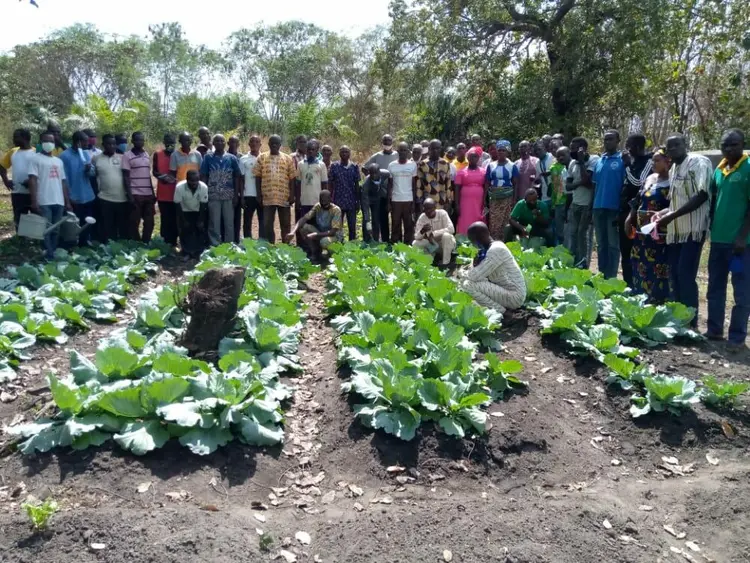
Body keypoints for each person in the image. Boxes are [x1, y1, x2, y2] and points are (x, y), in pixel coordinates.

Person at [653, 134, 712, 325]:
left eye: (676, 145)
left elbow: (702, 195)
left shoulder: (698, 162)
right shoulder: (674, 169)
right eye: (669, 147)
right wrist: (661, 214)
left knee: (685, 275)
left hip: (693, 230)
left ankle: (690, 322)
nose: (672, 150)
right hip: (675, 232)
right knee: (675, 276)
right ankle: (678, 321)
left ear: (685, 144)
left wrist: (671, 216)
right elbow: (675, 203)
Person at [706, 128, 749, 349]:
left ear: (743, 144)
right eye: (725, 145)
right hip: (718, 240)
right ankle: (714, 330)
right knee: (715, 287)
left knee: (741, 291)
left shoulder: (748, 167)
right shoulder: (719, 169)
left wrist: (742, 236)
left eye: (734, 145)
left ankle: (737, 337)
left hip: (741, 245)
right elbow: (713, 201)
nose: (729, 149)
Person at [624, 148, 672, 303]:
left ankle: (657, 303)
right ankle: (640, 300)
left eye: (657, 160)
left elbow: (675, 206)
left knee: (658, 269)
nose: (653, 163)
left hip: (659, 235)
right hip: (641, 234)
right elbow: (637, 200)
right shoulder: (650, 178)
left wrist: (659, 215)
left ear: (668, 162)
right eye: (652, 160)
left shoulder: (673, 182)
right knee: (639, 265)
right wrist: (629, 218)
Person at [462, 222, 526, 315]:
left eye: (473, 241)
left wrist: (464, 271)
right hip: (506, 290)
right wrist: (475, 265)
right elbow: (480, 275)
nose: (474, 245)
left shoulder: (495, 250)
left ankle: (504, 312)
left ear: (479, 238)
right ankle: (501, 309)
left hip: (514, 296)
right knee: (472, 284)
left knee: (467, 285)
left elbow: (473, 277)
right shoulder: (495, 246)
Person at [27, 133, 73, 259]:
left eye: (51, 141)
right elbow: (32, 180)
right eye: (46, 141)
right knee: (46, 229)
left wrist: (67, 202)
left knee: (56, 229)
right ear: (41, 143)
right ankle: (48, 254)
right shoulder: (35, 159)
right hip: (44, 200)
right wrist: (34, 201)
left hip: (59, 200)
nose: (49, 143)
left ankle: (52, 252)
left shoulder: (58, 161)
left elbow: (63, 182)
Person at [620, 134, 653, 288]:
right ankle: (627, 286)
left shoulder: (648, 162)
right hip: (624, 213)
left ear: (638, 147)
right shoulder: (633, 163)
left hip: (636, 215)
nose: (627, 149)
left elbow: (639, 182)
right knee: (625, 252)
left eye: (629, 146)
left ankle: (637, 286)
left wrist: (627, 166)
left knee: (635, 252)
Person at [592, 130, 626, 279]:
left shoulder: (622, 160)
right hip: (598, 207)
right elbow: (595, 185)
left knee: (613, 244)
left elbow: (625, 185)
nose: (607, 142)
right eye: (605, 139)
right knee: (601, 244)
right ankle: (602, 274)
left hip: (614, 208)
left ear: (618, 141)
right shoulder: (600, 161)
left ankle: (611, 277)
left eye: (611, 139)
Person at [200, 134, 241, 246]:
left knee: (229, 223)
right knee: (214, 222)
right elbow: (204, 176)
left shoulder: (232, 158)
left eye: (222, 141)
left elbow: (237, 176)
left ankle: (229, 245)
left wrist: (236, 195)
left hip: (229, 195)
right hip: (213, 195)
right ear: (213, 143)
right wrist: (204, 194)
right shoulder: (208, 158)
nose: (219, 143)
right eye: (217, 141)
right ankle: (215, 245)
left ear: (225, 143)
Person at [254, 134, 296, 243]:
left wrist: (292, 195)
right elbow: (258, 177)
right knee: (267, 224)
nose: (274, 145)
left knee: (285, 224)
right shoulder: (261, 157)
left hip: (284, 197)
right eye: (272, 143)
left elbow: (292, 178)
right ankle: (270, 246)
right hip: (268, 197)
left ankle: (285, 246)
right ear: (268, 144)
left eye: (276, 143)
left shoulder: (288, 158)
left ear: (280, 145)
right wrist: (258, 195)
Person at [60, 131, 97, 244]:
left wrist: (88, 169)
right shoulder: (65, 156)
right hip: (74, 197)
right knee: (73, 224)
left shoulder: (85, 154)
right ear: (78, 142)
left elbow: (92, 174)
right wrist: (68, 198)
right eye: (85, 141)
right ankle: (71, 245)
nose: (88, 143)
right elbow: (63, 179)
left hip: (88, 195)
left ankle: (84, 244)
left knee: (87, 222)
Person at [567, 137, 598, 267]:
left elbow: (589, 182)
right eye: (571, 149)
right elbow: (568, 186)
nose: (571, 152)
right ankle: (575, 261)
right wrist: (580, 183)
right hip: (576, 203)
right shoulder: (572, 163)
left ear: (583, 149)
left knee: (583, 235)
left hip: (587, 204)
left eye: (574, 149)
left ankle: (584, 263)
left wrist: (581, 162)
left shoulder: (593, 160)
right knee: (574, 234)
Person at [285, 189, 342, 260]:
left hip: (334, 236)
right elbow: (304, 218)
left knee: (324, 241)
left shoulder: (336, 210)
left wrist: (316, 234)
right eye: (322, 202)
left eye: (326, 203)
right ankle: (315, 252)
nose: (324, 205)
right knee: (304, 228)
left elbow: (332, 232)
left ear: (330, 200)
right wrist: (293, 232)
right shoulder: (318, 206)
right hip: (321, 232)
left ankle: (333, 255)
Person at [93, 134, 129, 242]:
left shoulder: (122, 158)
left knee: (122, 228)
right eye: (109, 144)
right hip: (104, 199)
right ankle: (106, 248)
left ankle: (122, 249)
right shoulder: (96, 159)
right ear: (103, 145)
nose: (112, 146)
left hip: (122, 199)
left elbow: (128, 177)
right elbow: (93, 177)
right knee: (107, 228)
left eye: (114, 144)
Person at [121, 132, 154, 243]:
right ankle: (136, 243)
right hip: (135, 194)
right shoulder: (127, 155)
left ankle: (146, 242)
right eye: (137, 140)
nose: (140, 142)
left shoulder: (146, 154)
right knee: (134, 222)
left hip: (148, 194)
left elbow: (147, 175)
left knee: (149, 222)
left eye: (142, 140)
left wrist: (153, 193)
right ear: (133, 141)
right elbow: (126, 177)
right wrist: (130, 196)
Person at [0, 128, 35, 230]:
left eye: (16, 137)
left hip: (35, 193)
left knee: (36, 219)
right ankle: (20, 238)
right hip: (18, 193)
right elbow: (2, 166)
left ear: (25, 138)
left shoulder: (36, 152)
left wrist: (31, 181)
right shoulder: (13, 152)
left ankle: (34, 238)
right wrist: (6, 181)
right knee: (19, 220)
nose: (14, 139)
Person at [296, 140, 328, 243]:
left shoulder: (321, 165)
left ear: (317, 151)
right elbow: (298, 183)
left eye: (313, 150)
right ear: (306, 150)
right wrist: (297, 200)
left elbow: (324, 184)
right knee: (304, 226)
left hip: (317, 202)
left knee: (316, 226)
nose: (310, 151)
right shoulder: (300, 164)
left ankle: (316, 248)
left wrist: (324, 201)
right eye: (308, 149)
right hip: (304, 201)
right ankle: (305, 247)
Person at [485, 140, 518, 240]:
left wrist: (514, 199)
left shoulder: (512, 166)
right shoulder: (491, 165)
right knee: (494, 220)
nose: (501, 152)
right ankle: (494, 241)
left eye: (503, 150)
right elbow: (487, 183)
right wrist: (484, 199)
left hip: (507, 197)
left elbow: (515, 184)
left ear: (507, 152)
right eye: (499, 150)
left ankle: (505, 241)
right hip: (494, 197)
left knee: (506, 220)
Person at [174, 169, 209, 259]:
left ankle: (198, 252)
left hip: (198, 210)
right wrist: (183, 220)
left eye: (196, 180)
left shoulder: (203, 187)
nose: (194, 183)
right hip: (184, 211)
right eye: (192, 181)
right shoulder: (179, 187)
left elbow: (203, 205)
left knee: (199, 230)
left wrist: (201, 220)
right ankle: (186, 252)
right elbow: (177, 205)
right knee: (185, 230)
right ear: (187, 180)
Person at [387, 142, 418, 243]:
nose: (403, 152)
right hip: (396, 200)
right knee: (395, 224)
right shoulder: (391, 165)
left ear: (408, 152)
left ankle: (408, 244)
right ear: (397, 151)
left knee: (409, 224)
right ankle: (396, 244)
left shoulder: (412, 165)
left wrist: (414, 202)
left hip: (408, 199)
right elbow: (389, 185)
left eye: (405, 150)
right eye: (401, 150)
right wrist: (388, 202)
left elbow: (414, 185)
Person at [329, 145, 361, 241]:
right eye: (342, 152)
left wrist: (358, 201)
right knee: (338, 227)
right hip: (338, 201)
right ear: (339, 153)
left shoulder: (354, 167)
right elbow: (330, 184)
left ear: (349, 154)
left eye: (346, 152)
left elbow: (357, 185)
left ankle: (352, 245)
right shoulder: (334, 166)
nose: (344, 154)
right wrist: (330, 199)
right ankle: (339, 244)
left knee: (352, 226)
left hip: (351, 201)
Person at [413, 197, 456, 267]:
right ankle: (427, 261)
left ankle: (446, 263)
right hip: (432, 246)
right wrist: (422, 231)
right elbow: (416, 237)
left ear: (435, 207)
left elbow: (451, 229)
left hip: (445, 245)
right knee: (415, 243)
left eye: (430, 208)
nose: (428, 211)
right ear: (424, 209)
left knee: (446, 236)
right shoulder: (422, 217)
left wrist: (433, 234)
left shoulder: (442, 213)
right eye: (426, 209)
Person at [152, 133, 178, 246]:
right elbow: (154, 171)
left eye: (172, 143)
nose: (170, 145)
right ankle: (165, 243)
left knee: (176, 219)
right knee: (165, 219)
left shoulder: (178, 155)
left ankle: (174, 242)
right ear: (164, 143)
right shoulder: (158, 154)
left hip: (177, 193)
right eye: (168, 143)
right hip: (163, 193)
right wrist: (163, 177)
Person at [455, 146, 487, 235]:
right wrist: (457, 205)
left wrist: (485, 201)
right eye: (471, 156)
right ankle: (464, 237)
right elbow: (457, 189)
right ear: (468, 157)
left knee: (478, 217)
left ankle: (478, 238)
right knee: (465, 218)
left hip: (479, 201)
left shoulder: (484, 171)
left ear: (478, 158)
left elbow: (486, 187)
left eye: (475, 156)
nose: (473, 158)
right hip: (465, 202)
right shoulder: (461, 172)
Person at [416, 139, 453, 214]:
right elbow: (419, 185)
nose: (435, 150)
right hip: (427, 202)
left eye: (437, 148)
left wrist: (448, 201)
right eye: (433, 148)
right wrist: (420, 202)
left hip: (442, 201)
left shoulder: (445, 163)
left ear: (440, 149)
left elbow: (448, 183)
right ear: (429, 149)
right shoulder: (422, 164)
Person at [238, 134, 263, 240]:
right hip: (248, 195)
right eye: (252, 141)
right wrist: (241, 197)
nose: (254, 144)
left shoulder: (264, 158)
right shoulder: (243, 159)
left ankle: (262, 243)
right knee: (247, 222)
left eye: (257, 142)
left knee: (263, 221)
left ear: (260, 144)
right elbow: (241, 179)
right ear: (249, 144)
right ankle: (248, 244)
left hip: (262, 195)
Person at [361, 164, 390, 243]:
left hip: (377, 199)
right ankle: (366, 240)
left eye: (375, 173)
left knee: (376, 220)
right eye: (371, 173)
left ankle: (376, 240)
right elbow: (365, 203)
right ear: (369, 173)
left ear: (379, 172)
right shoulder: (366, 184)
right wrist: (367, 221)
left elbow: (391, 178)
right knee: (366, 220)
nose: (374, 175)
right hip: (367, 199)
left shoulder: (385, 174)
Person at [549, 147, 569, 246]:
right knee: (560, 232)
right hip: (559, 203)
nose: (561, 158)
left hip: (569, 203)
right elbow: (556, 188)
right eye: (558, 156)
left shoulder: (571, 166)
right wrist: (553, 205)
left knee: (568, 232)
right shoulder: (554, 167)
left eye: (563, 155)